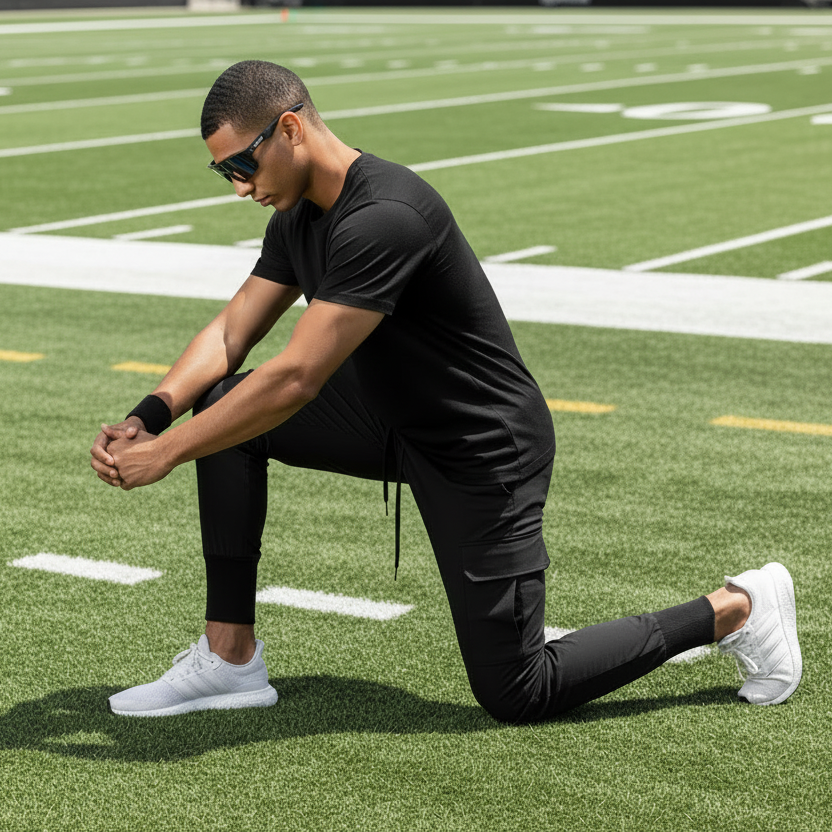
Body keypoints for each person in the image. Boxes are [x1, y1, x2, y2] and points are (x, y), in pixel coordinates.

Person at [90, 61, 802, 721]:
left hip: (481, 447)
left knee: (518, 691)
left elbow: (297, 377)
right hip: (393, 419)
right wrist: (147, 417)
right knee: (223, 411)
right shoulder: (294, 216)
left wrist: (170, 453)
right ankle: (229, 658)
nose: (241, 187)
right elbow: (228, 336)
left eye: (244, 164)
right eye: (224, 174)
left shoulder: (385, 216)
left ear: (292, 129)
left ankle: (736, 606)